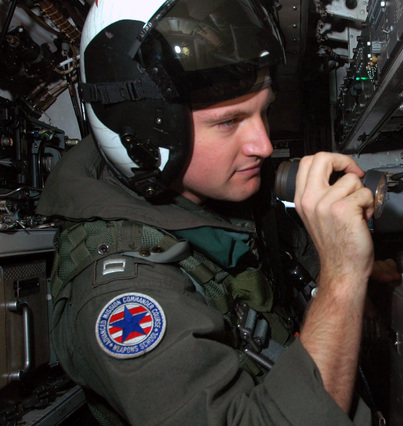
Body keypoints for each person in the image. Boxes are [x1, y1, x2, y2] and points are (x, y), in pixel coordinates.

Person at [36, 0, 382, 424]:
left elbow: (287, 257)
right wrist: (343, 279)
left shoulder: (216, 197)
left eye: (264, 112)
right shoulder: (122, 294)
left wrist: (361, 270)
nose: (264, 145)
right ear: (145, 131)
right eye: (228, 122)